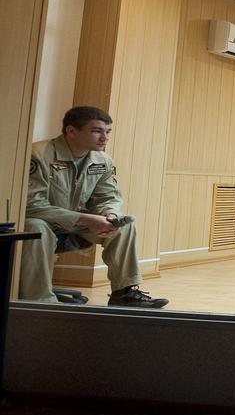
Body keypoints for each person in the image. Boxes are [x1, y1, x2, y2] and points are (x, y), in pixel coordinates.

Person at [22, 106, 167, 307]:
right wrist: (85, 219)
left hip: (76, 223)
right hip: (42, 220)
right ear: (71, 131)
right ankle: (40, 301)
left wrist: (110, 214)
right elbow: (31, 205)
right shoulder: (38, 154)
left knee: (123, 227)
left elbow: (108, 196)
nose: (104, 138)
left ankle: (124, 294)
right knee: (35, 227)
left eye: (108, 132)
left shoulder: (102, 160)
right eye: (97, 131)